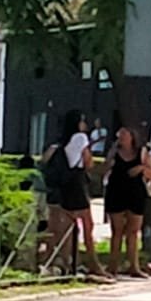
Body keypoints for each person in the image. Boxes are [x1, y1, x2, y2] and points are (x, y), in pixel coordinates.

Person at [51, 109, 106, 278]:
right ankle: (93, 263)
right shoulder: (81, 138)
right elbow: (88, 162)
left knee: (69, 225)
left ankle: (68, 262)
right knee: (88, 224)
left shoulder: (63, 140)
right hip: (78, 182)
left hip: (66, 184)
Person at [103, 125, 151, 277]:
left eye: (124, 134)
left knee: (133, 231)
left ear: (132, 137)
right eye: (119, 134)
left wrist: (141, 168)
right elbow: (104, 169)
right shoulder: (114, 152)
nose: (120, 137)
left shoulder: (142, 153)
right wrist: (110, 160)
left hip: (135, 193)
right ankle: (113, 265)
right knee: (117, 230)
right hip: (116, 191)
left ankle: (134, 266)